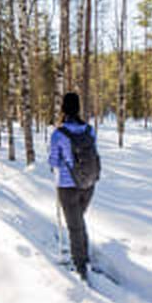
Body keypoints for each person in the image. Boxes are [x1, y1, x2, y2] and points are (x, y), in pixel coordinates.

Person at [49, 92, 99, 280]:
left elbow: (53, 161)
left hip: (68, 186)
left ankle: (80, 266)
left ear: (63, 109)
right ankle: (82, 255)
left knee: (75, 226)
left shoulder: (58, 134)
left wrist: (60, 162)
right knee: (78, 221)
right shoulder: (89, 130)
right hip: (88, 184)